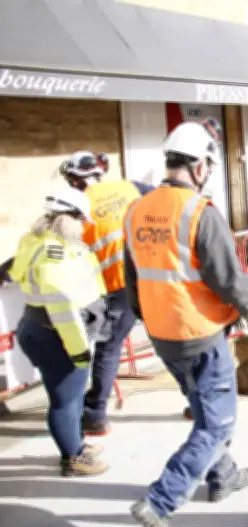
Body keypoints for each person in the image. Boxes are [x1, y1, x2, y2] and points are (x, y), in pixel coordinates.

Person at [123, 120, 248, 527]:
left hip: (162, 334)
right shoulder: (200, 213)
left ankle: (223, 476)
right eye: (209, 165)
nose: (209, 173)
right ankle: (160, 501)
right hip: (200, 333)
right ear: (199, 167)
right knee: (217, 423)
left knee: (203, 406)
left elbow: (133, 278)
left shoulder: (137, 210)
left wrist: (148, 316)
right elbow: (229, 280)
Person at [9, 186, 110, 476]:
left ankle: (74, 443)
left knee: (74, 393)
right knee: (65, 400)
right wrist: (78, 351)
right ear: (68, 218)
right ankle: (73, 457)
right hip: (58, 333)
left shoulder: (38, 240)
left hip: (44, 328)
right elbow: (62, 310)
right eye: (82, 220)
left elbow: (16, 272)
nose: (85, 225)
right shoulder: (54, 253)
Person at [60, 151, 143, 437]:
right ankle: (198, 404)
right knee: (170, 342)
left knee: (108, 349)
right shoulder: (129, 187)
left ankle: (95, 415)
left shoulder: (78, 208)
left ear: (74, 179)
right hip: (150, 279)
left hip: (118, 288)